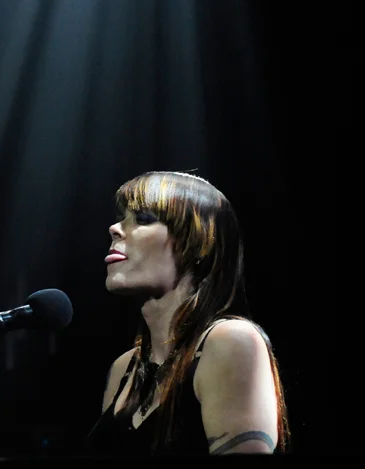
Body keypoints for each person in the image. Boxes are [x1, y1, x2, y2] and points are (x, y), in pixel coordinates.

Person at [85, 171, 290, 455]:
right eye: (122, 217)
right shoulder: (124, 368)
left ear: (197, 242)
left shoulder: (229, 341)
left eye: (143, 219)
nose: (115, 228)